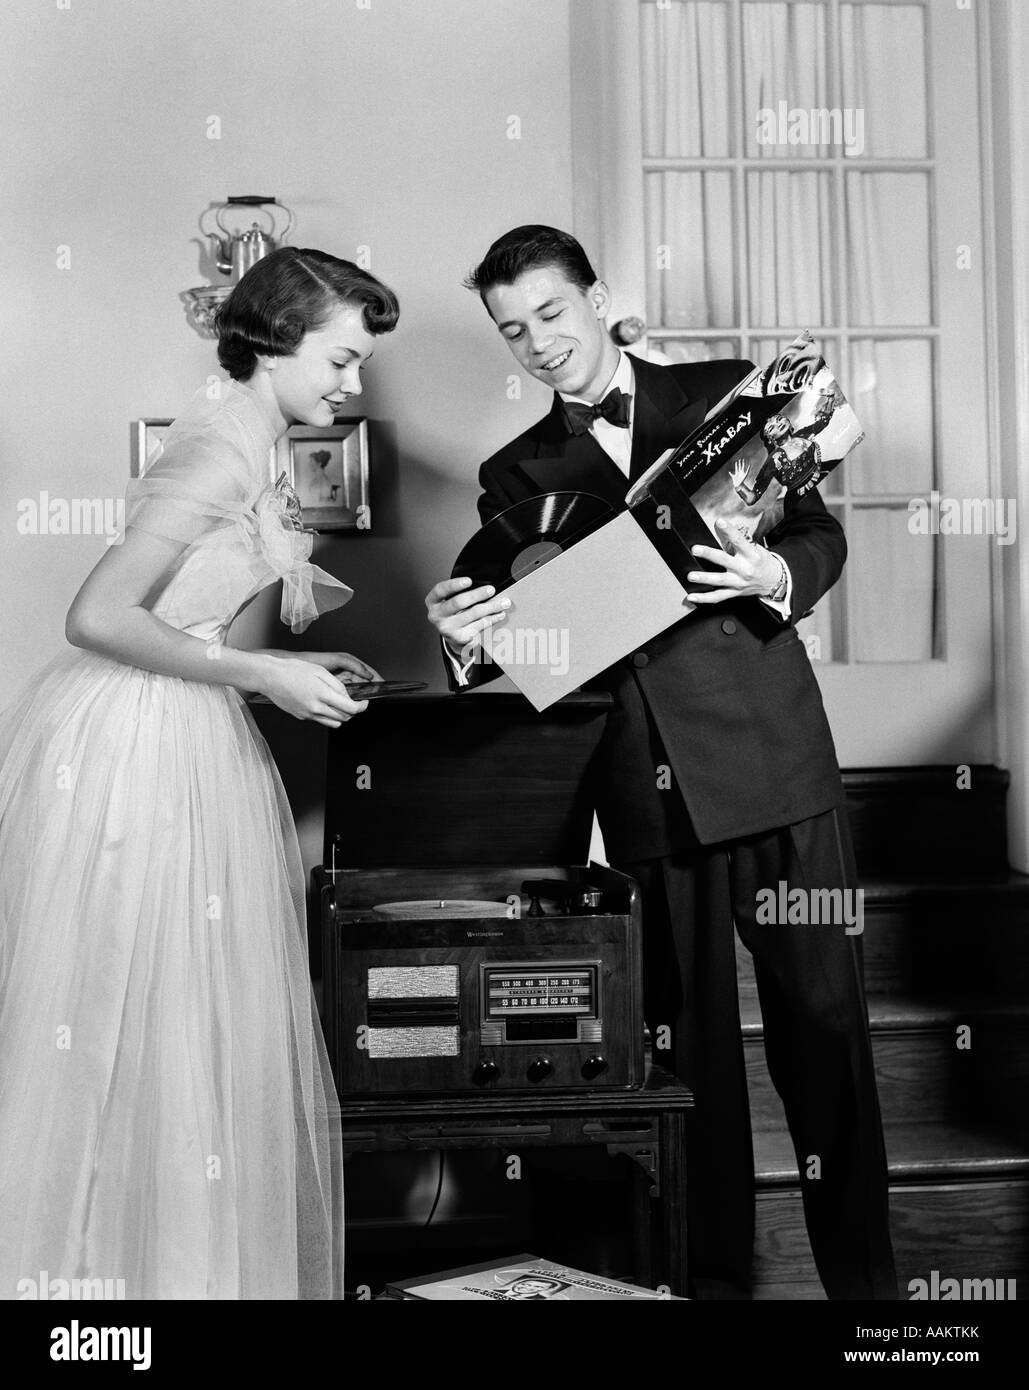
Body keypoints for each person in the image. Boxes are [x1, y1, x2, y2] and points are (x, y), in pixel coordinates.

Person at [424, 225, 897, 1301]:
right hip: (649, 796)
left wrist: (775, 572)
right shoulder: (512, 473)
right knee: (698, 1084)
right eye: (513, 330)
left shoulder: (726, 392)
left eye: (550, 313)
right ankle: (718, 1291)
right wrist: (464, 636)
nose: (538, 343)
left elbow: (821, 531)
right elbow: (535, 634)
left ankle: (875, 1307)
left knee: (830, 1055)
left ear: (598, 298)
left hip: (778, 770)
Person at [0, 246, 399, 1299]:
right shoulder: (222, 448)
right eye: (343, 360)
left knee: (190, 1033)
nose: (353, 386)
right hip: (131, 749)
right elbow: (94, 617)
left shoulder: (264, 445)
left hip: (192, 733)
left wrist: (289, 667)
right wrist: (261, 667)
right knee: (120, 1026)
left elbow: (200, 621)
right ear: (276, 344)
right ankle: (78, 1290)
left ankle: (172, 1281)